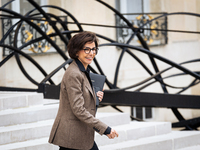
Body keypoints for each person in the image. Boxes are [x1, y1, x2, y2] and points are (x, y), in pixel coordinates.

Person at [49, 31, 119, 150]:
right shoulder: (74, 74)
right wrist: (105, 129)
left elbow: (81, 97)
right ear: (76, 51)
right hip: (71, 135)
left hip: (79, 134)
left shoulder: (83, 70)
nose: (91, 53)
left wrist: (94, 97)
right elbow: (79, 109)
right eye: (87, 49)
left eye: (94, 49)